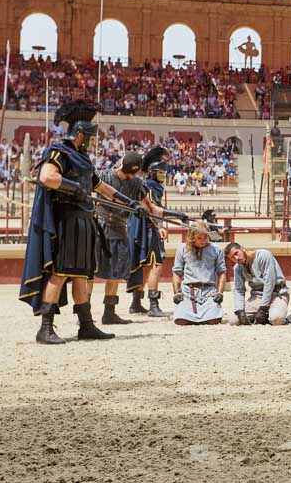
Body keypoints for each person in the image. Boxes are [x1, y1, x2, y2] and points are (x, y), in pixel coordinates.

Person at [19, 100, 145, 344]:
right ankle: (45, 327)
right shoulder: (59, 152)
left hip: (85, 221)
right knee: (59, 272)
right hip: (67, 221)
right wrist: (73, 187)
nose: (92, 141)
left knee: (80, 275)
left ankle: (86, 325)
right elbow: (47, 176)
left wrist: (131, 203)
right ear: (79, 135)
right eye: (89, 137)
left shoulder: (83, 159)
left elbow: (101, 186)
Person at [128, 146, 189, 317]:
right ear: (152, 172)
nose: (163, 175)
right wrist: (161, 226)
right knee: (156, 264)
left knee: (146, 266)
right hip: (149, 228)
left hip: (143, 227)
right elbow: (153, 209)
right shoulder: (150, 186)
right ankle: (153, 305)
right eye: (160, 172)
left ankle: (136, 302)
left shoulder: (148, 185)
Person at [91, 151, 147, 325]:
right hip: (99, 226)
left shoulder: (137, 183)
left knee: (115, 273)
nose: (129, 177)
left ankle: (109, 313)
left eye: (133, 173)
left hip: (119, 228)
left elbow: (149, 206)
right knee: (89, 273)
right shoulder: (103, 176)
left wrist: (171, 215)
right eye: (127, 172)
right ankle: (84, 314)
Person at [171, 222, 226, 325]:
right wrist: (177, 292)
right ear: (192, 237)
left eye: (205, 237)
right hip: (189, 291)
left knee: (213, 320)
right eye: (199, 238)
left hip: (209, 291)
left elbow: (221, 272)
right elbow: (177, 272)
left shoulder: (216, 249)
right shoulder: (182, 249)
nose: (203, 240)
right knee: (181, 321)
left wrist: (219, 292)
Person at [225, 242, 289, 325]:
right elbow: (238, 290)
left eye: (236, 253)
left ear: (242, 248)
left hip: (277, 293)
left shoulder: (263, 255)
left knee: (276, 319)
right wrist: (240, 311)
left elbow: (269, 282)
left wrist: (263, 308)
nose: (236, 258)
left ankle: (268, 314)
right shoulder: (237, 268)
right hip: (258, 296)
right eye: (232, 258)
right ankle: (264, 315)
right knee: (234, 321)